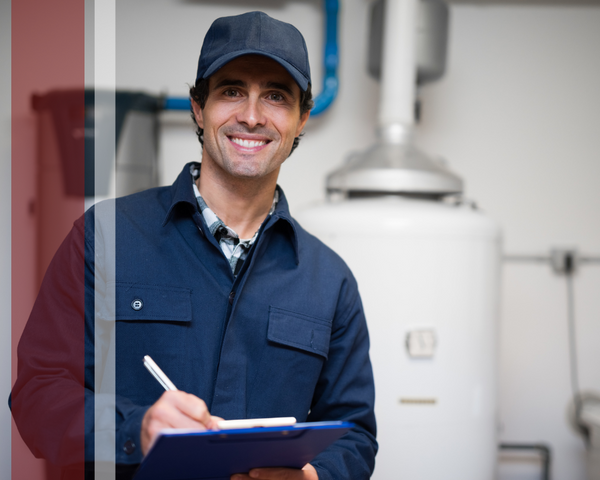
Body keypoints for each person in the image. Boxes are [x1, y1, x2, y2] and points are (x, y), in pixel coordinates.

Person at [11, 11, 377, 480]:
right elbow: (37, 395)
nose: (251, 114)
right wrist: (136, 429)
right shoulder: (105, 236)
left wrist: (313, 476)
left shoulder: (331, 281)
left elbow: (355, 435)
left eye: (276, 96)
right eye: (231, 91)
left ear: (301, 117)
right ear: (198, 108)